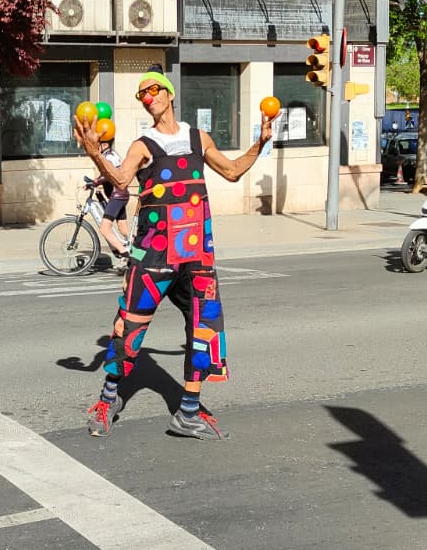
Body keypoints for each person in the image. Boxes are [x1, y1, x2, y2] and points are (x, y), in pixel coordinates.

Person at [72, 67, 275, 441]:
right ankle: (107, 399)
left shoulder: (198, 138)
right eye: (142, 95)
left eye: (152, 90)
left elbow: (232, 171)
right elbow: (121, 180)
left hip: (198, 255)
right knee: (129, 327)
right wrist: (96, 155)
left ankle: (188, 412)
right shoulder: (143, 145)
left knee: (205, 329)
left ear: (169, 93)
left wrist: (260, 142)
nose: (148, 98)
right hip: (153, 255)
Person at [90, 116, 132, 270]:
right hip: (120, 195)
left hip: (117, 196)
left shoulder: (110, 157)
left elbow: (109, 174)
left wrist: (96, 182)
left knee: (104, 229)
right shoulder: (110, 155)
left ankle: (124, 254)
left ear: (105, 143)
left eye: (98, 143)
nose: (96, 145)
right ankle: (142, 254)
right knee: (124, 230)